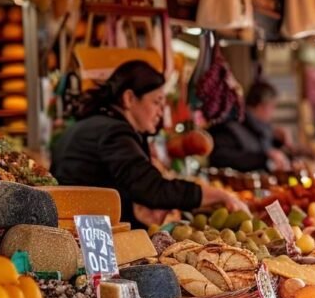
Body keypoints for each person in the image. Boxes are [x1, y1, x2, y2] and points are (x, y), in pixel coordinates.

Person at [52, 61, 246, 227]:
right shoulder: (115, 133)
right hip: (86, 237)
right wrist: (220, 196)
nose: (161, 111)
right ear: (129, 98)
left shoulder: (91, 124)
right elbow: (153, 189)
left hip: (74, 230)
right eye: (156, 102)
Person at [208, 81, 291, 173]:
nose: (273, 112)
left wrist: (278, 141)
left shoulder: (260, 127)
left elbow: (260, 147)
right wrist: (264, 157)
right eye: (272, 107)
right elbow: (221, 157)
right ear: (262, 106)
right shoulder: (232, 125)